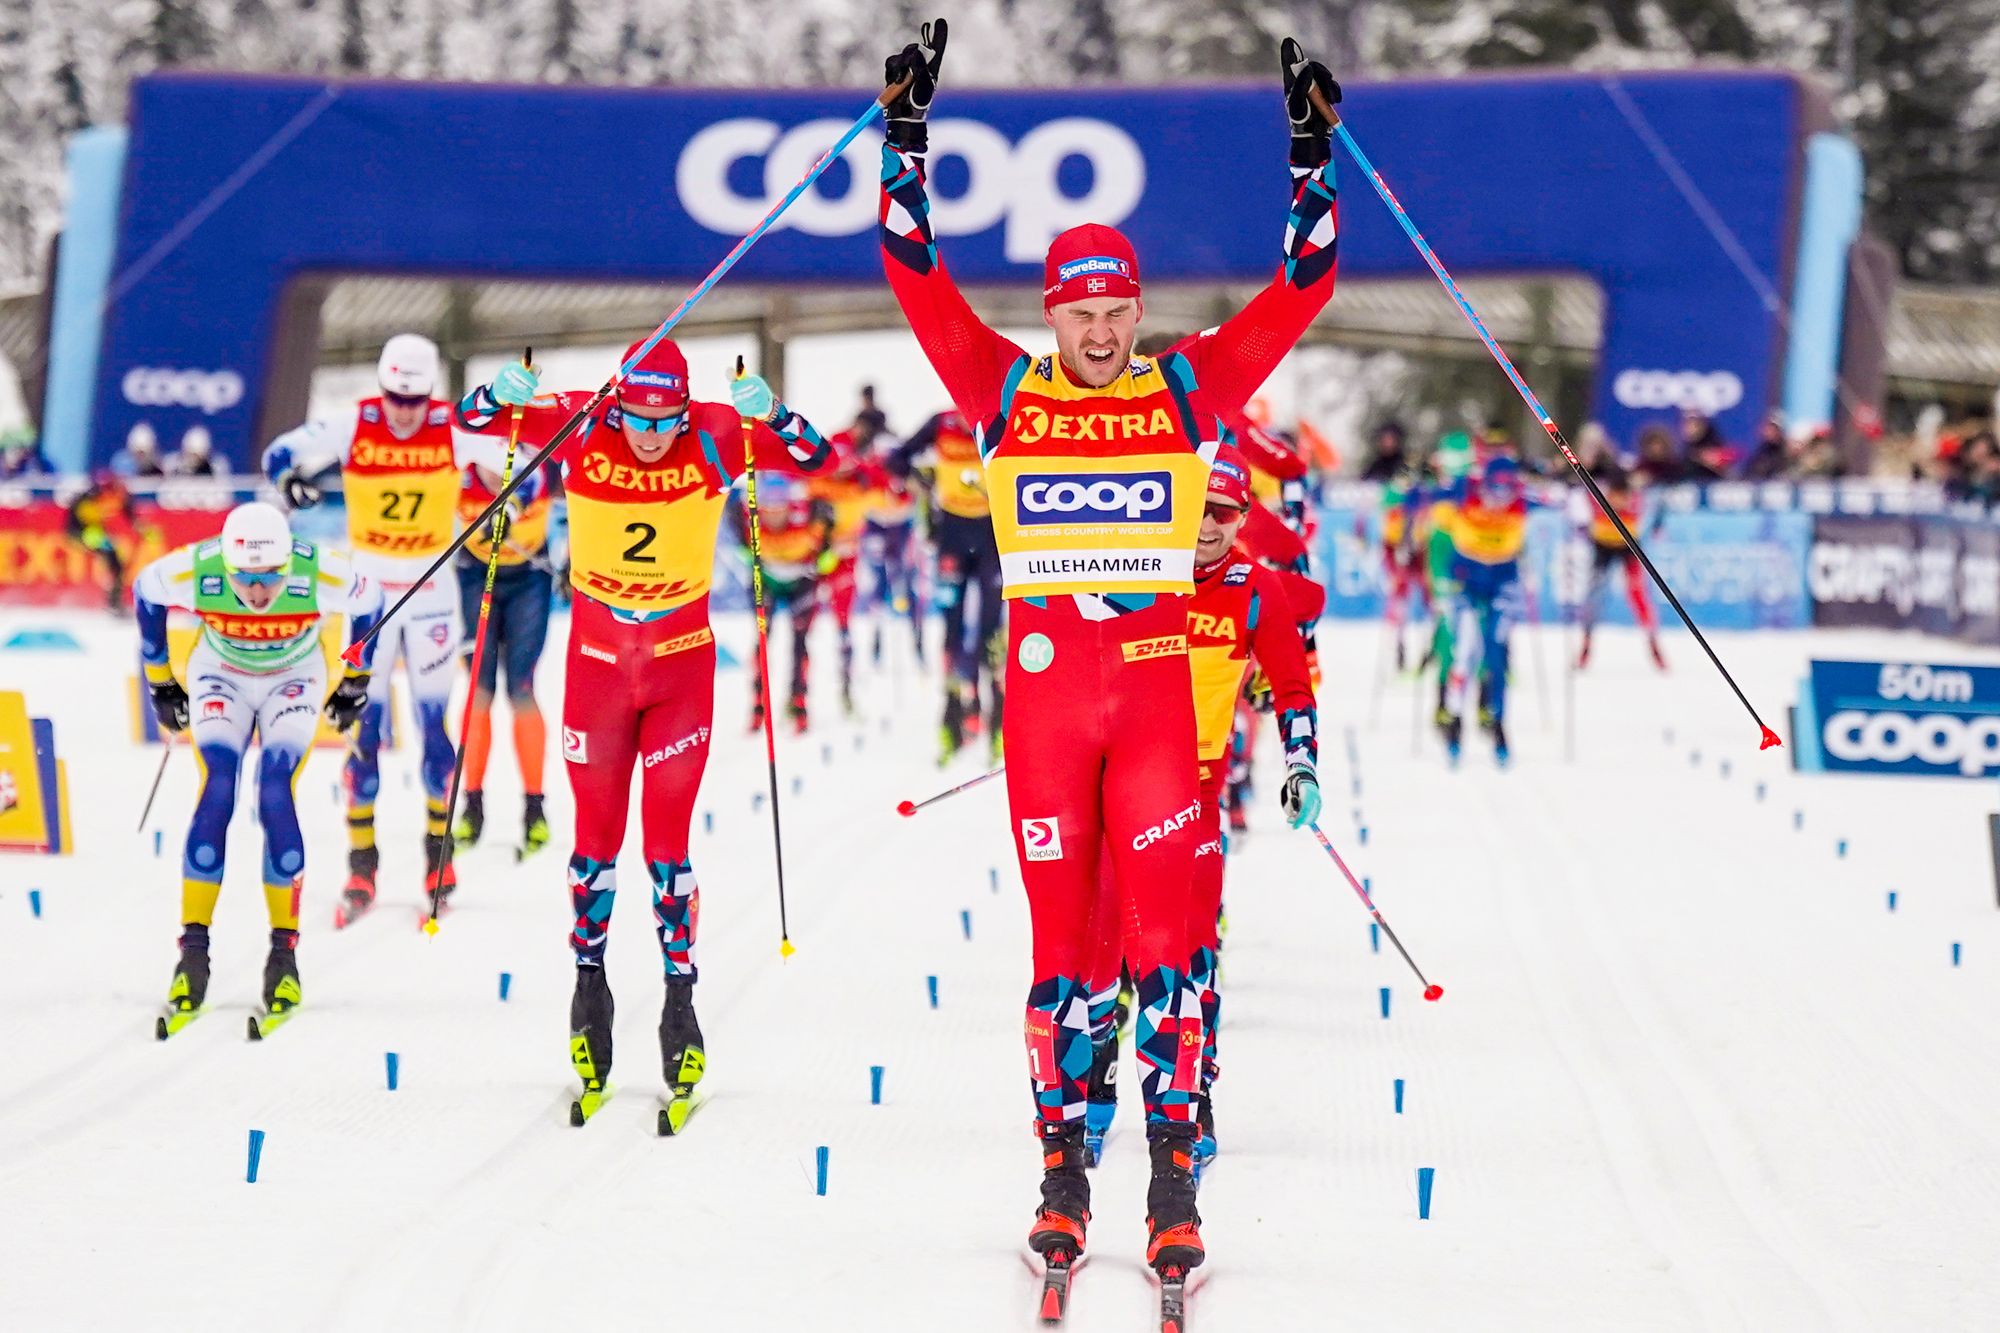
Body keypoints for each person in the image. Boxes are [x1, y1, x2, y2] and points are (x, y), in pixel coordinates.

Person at [876, 26, 1338, 1276]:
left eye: (1112, 306)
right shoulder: (1005, 397)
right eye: (1075, 307)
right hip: (1043, 726)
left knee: (1172, 957)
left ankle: (1173, 1185)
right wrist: (904, 137)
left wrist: (1310, 153)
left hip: (1146, 720)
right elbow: (911, 269)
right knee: (1062, 968)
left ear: (1136, 308)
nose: (1093, 324)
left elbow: (1303, 290)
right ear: (1051, 312)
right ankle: (1063, 1175)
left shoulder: (1186, 394)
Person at [460, 338, 831, 1128]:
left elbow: (815, 453)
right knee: (594, 844)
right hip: (595, 672)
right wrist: (500, 389)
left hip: (679, 673)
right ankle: (589, 986)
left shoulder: (716, 433)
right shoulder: (586, 423)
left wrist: (775, 413)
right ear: (620, 400)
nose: (652, 434)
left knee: (667, 848)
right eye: (640, 417)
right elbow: (474, 421)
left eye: (666, 418)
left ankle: (679, 1001)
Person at [1080, 445, 1321, 1172]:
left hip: (1198, 794)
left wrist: (1301, 760)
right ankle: (1094, 1086)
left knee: (1191, 952)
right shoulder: (1128, 574)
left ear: (1243, 517)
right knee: (1103, 952)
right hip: (1115, 789)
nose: (1207, 526)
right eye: (1194, 510)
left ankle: (1196, 1094)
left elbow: (1292, 684)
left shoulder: (1255, 589)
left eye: (1223, 512)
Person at [263, 334, 491, 924]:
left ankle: (438, 860)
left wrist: (509, 500)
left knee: (434, 733)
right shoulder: (353, 424)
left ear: (431, 394)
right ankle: (361, 865)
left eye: (414, 401)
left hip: (433, 597)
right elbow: (278, 454)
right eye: (394, 397)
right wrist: (288, 482)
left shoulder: (453, 426)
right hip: (366, 597)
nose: (403, 412)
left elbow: (523, 463)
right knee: (364, 730)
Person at [136, 502, 381, 1038]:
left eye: (270, 578)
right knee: (218, 786)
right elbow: (146, 588)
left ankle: (283, 956)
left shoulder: (316, 568)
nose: (257, 592)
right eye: (244, 579)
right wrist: (160, 680)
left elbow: (371, 597)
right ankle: (193, 954)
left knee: (274, 791)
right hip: (218, 674)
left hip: (292, 678)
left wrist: (355, 679)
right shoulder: (199, 566)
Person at [452, 446, 557, 857]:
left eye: (506, 470)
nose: (498, 479)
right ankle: (471, 807)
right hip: (475, 578)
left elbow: (538, 489)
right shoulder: (461, 475)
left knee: (521, 689)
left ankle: (535, 810)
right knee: (479, 688)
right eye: (490, 471)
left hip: (529, 579)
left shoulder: (535, 470)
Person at [891, 406, 1002, 761]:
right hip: (951, 535)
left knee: (991, 628)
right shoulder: (942, 422)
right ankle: (953, 714)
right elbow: (896, 458)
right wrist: (923, 483)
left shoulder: (998, 415)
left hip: (993, 536)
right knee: (952, 626)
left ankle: (997, 717)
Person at [1439, 452, 1530, 765]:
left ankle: (1499, 723)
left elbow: (1561, 501)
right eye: (1494, 491)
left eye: (1507, 492)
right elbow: (1425, 496)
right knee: (1465, 651)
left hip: (1503, 586)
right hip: (1465, 585)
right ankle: (1454, 721)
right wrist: (1416, 491)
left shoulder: (1521, 502)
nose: (1499, 501)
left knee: (1496, 653)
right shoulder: (1466, 490)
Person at [732, 470, 835, 732]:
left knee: (800, 642)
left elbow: (827, 543)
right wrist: (748, 557)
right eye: (768, 508)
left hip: (801, 580)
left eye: (780, 508)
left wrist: (820, 562)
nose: (774, 514)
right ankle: (758, 703)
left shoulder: (809, 517)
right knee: (763, 640)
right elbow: (739, 540)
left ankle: (799, 702)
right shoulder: (748, 517)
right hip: (767, 579)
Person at [1570, 456, 1664, 670]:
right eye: (1615, 495)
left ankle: (1653, 644)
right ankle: (1586, 645)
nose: (1619, 500)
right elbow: (1576, 505)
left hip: (1628, 547)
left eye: (1624, 495)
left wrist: (1658, 526)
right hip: (1602, 547)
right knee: (1593, 597)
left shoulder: (1637, 498)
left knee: (1638, 594)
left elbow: (1659, 503)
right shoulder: (1597, 496)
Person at [66, 470, 136, 613]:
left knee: (116, 564)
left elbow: (125, 510)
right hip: (82, 533)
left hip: (92, 532)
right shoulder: (87, 501)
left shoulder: (106, 497)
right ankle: (113, 602)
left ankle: (114, 601)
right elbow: (84, 524)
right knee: (113, 561)